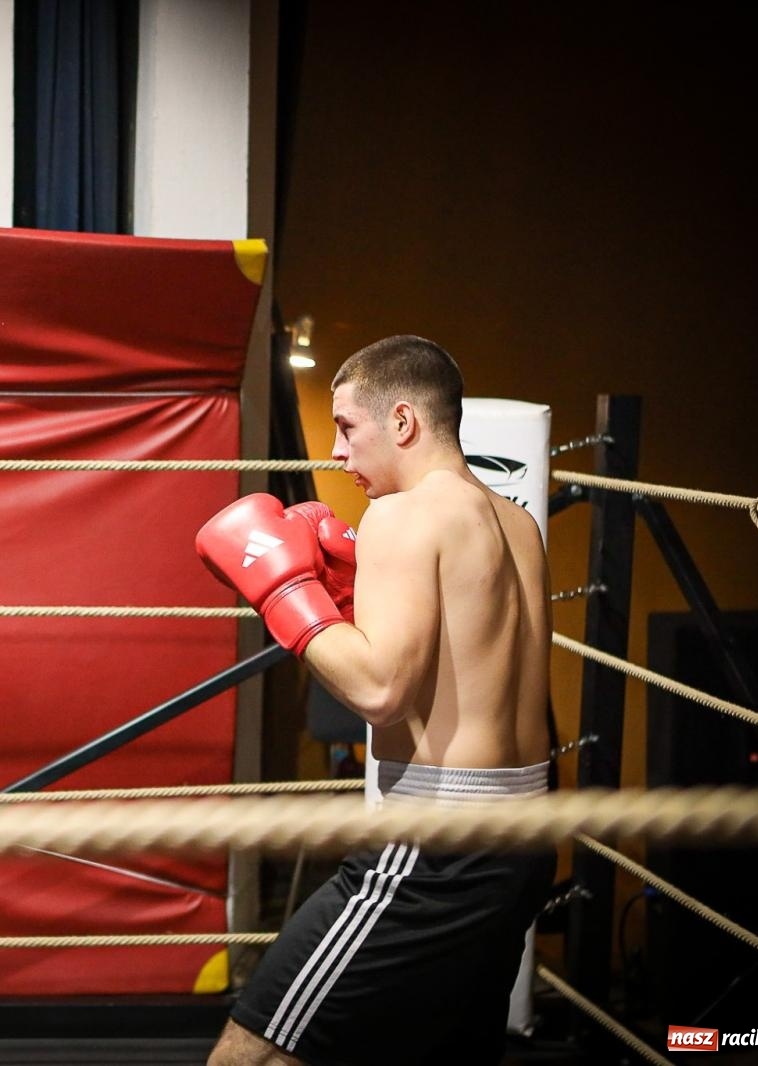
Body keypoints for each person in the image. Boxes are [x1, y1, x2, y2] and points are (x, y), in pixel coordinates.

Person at [195, 335, 555, 1065]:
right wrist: (346, 601)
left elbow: (381, 690)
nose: (336, 451)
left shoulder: (402, 515)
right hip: (524, 838)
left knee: (251, 1053)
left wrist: (285, 592)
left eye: (347, 426)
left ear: (403, 421)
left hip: (435, 846)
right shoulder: (518, 524)